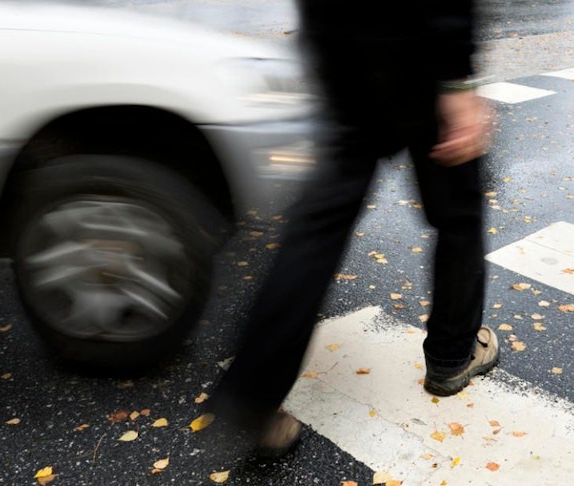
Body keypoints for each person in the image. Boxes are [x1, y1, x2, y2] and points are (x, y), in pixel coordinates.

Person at [209, 0, 498, 456]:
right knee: (458, 211)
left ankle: (253, 395)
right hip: (416, 44)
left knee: (319, 225)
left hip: (340, 43)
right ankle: (452, 356)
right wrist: (456, 77)